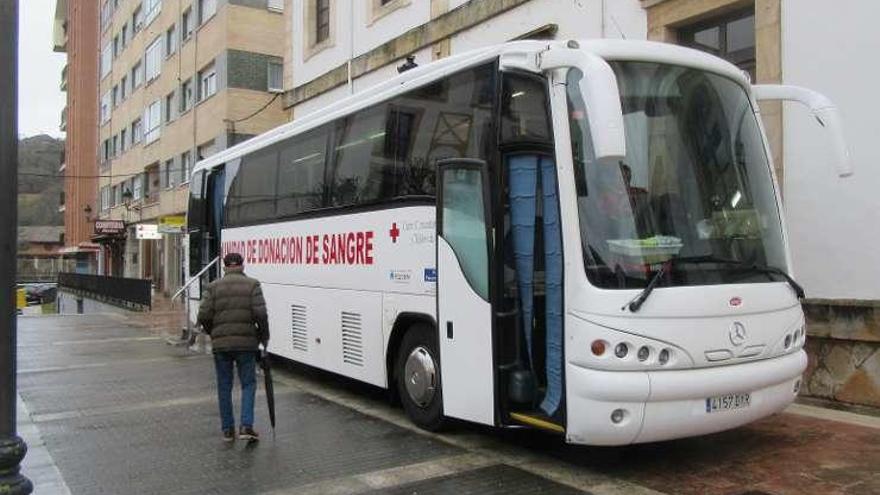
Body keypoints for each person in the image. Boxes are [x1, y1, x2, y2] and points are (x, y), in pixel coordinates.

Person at [198, 252, 269, 443]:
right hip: (247, 344)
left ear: (224, 267)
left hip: (221, 345)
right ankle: (246, 426)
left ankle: (227, 430)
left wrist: (214, 333)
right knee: (248, 384)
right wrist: (264, 337)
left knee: (224, 386)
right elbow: (261, 314)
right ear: (242, 266)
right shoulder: (253, 285)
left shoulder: (213, 286)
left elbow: (203, 315)